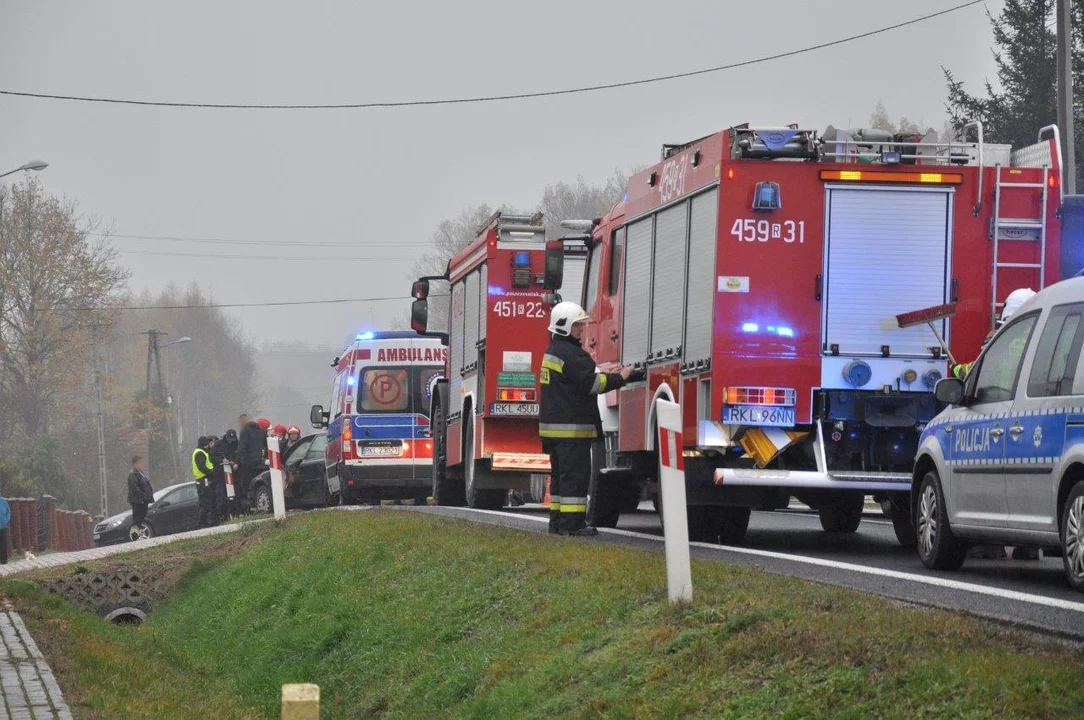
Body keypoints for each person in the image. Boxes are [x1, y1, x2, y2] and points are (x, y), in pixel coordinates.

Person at [539, 302, 640, 536]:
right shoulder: (573, 354)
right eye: (577, 326)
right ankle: (573, 526)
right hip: (572, 432)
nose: (581, 330)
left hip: (555, 432)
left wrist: (606, 375)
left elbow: (577, 380)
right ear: (564, 326)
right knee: (575, 479)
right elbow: (593, 384)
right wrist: (620, 378)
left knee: (560, 480)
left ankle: (558, 524)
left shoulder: (554, 351)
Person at [951, 288, 1036, 379]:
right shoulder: (1040, 340)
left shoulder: (999, 339)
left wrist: (955, 369)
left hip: (1000, 391)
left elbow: (978, 370)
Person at [236, 415, 269, 515]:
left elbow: (241, 448)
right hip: (261, 463)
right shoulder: (261, 431)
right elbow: (267, 446)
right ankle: (262, 505)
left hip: (248, 465)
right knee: (260, 484)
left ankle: (250, 509)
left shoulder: (245, 431)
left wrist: (237, 462)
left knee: (248, 487)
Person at [193, 436, 218, 528]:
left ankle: (205, 522)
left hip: (203, 479)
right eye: (207, 443)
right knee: (206, 503)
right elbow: (202, 467)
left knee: (208, 502)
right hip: (204, 479)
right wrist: (211, 472)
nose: (208, 445)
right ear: (204, 443)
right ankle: (201, 523)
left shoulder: (201, 451)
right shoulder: (200, 453)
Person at [127, 456, 153, 540]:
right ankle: (134, 535)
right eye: (141, 463)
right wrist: (143, 496)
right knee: (137, 518)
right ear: (135, 463)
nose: (143, 464)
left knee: (140, 518)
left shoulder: (141, 473)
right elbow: (134, 488)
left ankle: (136, 533)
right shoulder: (133, 474)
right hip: (138, 501)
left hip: (143, 500)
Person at [210, 433, 232, 523]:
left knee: (228, 496)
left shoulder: (230, 445)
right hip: (219, 475)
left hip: (228, 475)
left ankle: (227, 515)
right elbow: (212, 458)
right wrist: (222, 460)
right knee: (221, 497)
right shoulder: (217, 446)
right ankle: (221, 517)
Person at [0, 496, 10, 564]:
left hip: (3, 526)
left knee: (3, 543)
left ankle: (4, 560)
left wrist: (7, 520)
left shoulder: (3, 501)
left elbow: (8, 511)